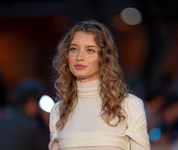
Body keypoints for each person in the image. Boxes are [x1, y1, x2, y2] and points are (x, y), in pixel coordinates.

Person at [49, 20, 150, 150]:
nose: (79, 57)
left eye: (90, 50)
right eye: (74, 49)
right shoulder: (58, 112)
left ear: (104, 58)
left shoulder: (130, 106)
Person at [0, 78, 48, 150]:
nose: (39, 107)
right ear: (31, 101)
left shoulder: (5, 120)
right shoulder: (31, 127)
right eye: (38, 101)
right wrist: (47, 122)